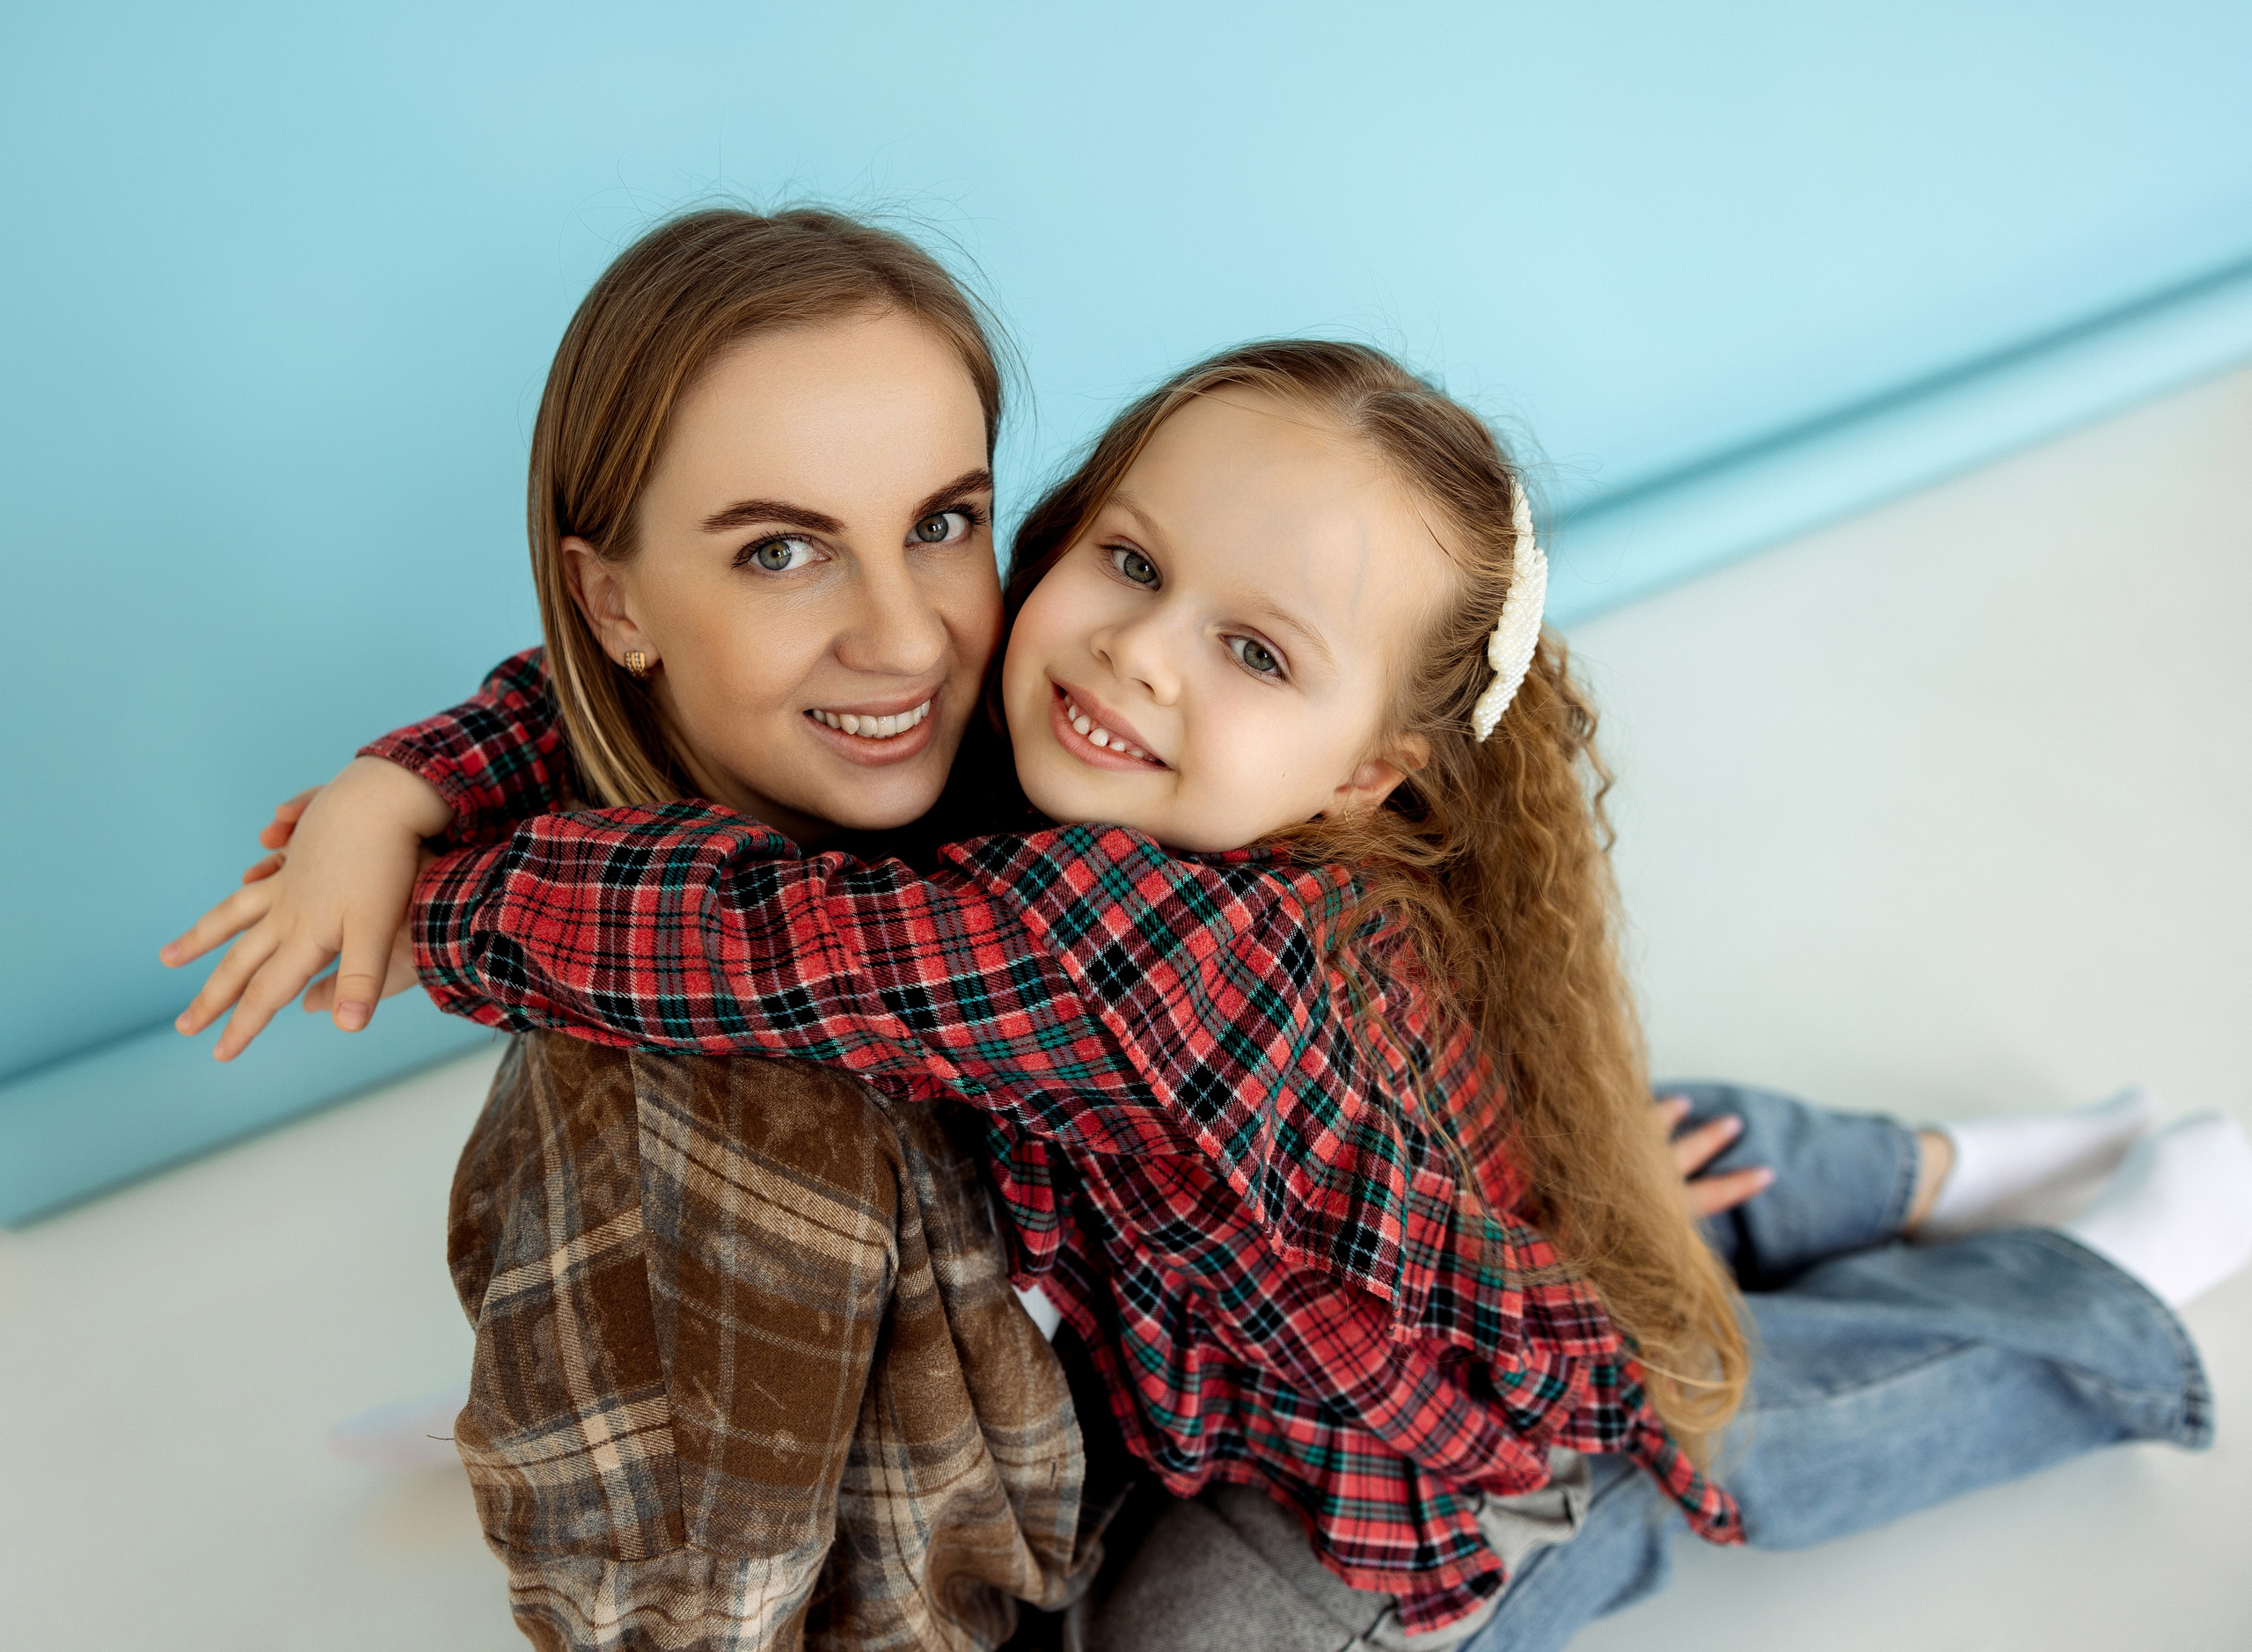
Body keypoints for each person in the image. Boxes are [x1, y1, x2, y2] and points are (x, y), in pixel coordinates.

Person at [172, 315, 2252, 1647]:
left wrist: (424, 889)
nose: (1136, 657)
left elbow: (730, 933)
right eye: (1131, 564)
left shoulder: (1131, 931)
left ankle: (2095, 1277)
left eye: (1251, 652)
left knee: (1654, 1442)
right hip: (1332, 1247)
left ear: (1358, 770)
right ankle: (1910, 1162)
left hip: (1375, 1457)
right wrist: (403, 775)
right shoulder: (1052, 735)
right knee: (1625, 1148)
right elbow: (655, 688)